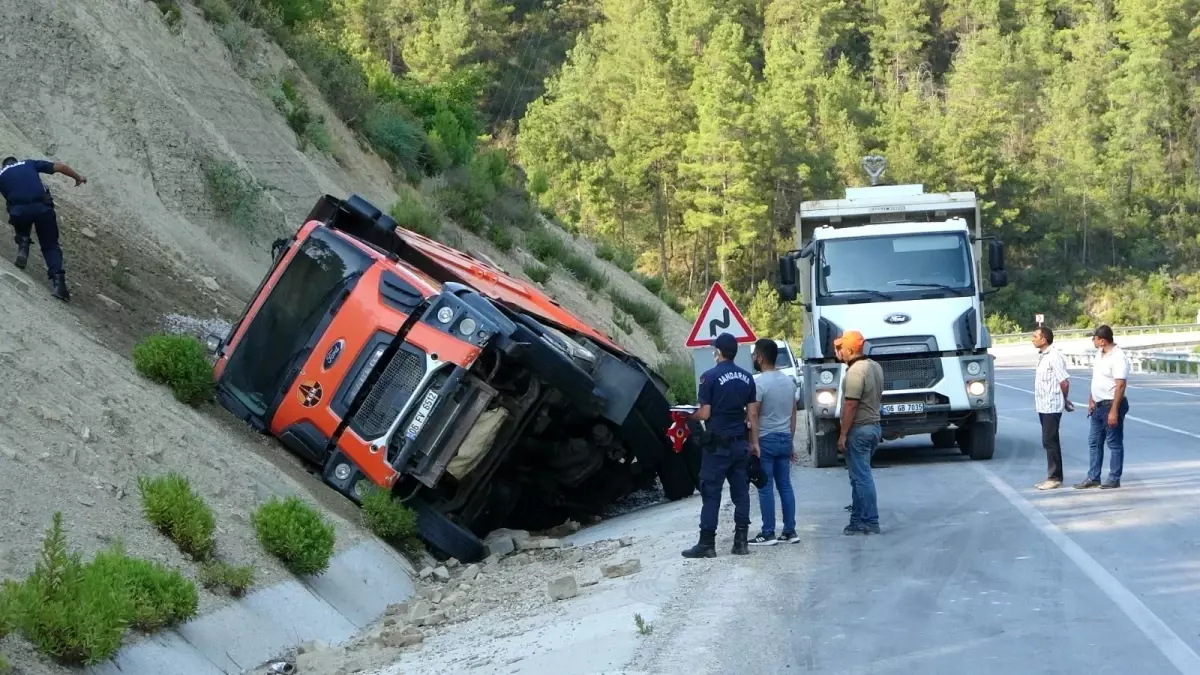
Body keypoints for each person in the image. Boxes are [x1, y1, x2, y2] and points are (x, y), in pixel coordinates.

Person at [682, 332, 758, 558]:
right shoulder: (747, 377)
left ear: (719, 352)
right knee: (741, 493)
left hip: (717, 448)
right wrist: (755, 444)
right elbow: (752, 414)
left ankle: (707, 544)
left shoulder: (709, 377)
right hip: (740, 444)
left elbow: (705, 413)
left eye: (715, 349)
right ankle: (741, 542)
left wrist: (687, 415)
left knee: (711, 492)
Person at [0, 156, 87, 301]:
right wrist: (78, 177)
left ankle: (23, 241)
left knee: (15, 209)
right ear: (16, 161)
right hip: (43, 208)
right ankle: (59, 285)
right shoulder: (29, 163)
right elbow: (60, 167)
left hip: (19, 212)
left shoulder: (2, 174)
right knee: (50, 245)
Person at [747, 338, 800, 546]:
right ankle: (790, 531)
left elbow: (753, 413)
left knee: (765, 487)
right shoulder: (788, 381)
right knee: (785, 486)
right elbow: (793, 413)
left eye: (753, 355)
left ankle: (768, 533)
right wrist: (791, 439)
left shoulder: (759, 383)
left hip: (765, 439)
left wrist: (754, 443)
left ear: (760, 357)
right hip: (785, 437)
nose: (752, 358)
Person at [836, 330, 884, 535]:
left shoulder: (856, 372)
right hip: (873, 427)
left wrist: (843, 434)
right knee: (857, 476)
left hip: (859, 430)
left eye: (840, 348)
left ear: (849, 349)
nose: (838, 352)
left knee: (862, 476)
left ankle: (871, 520)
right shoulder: (875, 366)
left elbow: (851, 406)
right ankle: (856, 520)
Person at [1076, 325, 1129, 490]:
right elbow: (1096, 379)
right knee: (1094, 442)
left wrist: (1114, 410)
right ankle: (1093, 477)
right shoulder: (1099, 354)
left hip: (1110, 405)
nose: (1093, 340)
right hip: (1098, 405)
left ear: (1102, 341)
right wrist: (1091, 399)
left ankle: (1114, 478)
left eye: (1094, 338)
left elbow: (1120, 385)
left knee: (1113, 443)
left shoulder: (1118, 357)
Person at [1032, 326, 1074, 490]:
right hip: (1043, 405)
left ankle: (1054, 477)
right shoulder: (1043, 356)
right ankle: (1053, 475)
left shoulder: (1054, 356)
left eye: (1035, 336)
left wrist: (1064, 399)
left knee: (1050, 440)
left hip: (1051, 404)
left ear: (1044, 339)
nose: (1033, 339)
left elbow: (1064, 381)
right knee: (1048, 440)